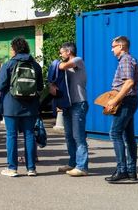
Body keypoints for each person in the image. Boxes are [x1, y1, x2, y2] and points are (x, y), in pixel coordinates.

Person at [0, 37, 43, 177]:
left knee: (11, 136)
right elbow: (40, 87)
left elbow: (0, 85)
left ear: (14, 49)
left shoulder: (9, 64)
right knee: (29, 135)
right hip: (31, 106)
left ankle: (12, 168)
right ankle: (31, 168)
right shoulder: (35, 65)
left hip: (11, 105)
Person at [104, 36, 138, 183]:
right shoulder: (129, 60)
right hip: (129, 101)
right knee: (129, 137)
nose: (112, 49)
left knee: (115, 133)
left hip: (125, 102)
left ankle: (122, 170)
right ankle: (131, 172)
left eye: (113, 46)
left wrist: (114, 100)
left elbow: (129, 83)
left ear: (121, 47)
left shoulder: (125, 60)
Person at [50, 42, 90, 177]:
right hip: (68, 104)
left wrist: (55, 64)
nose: (60, 55)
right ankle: (72, 163)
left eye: (62, 52)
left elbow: (62, 66)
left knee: (78, 136)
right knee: (69, 136)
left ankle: (82, 167)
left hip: (79, 103)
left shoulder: (77, 60)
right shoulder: (66, 66)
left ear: (68, 52)